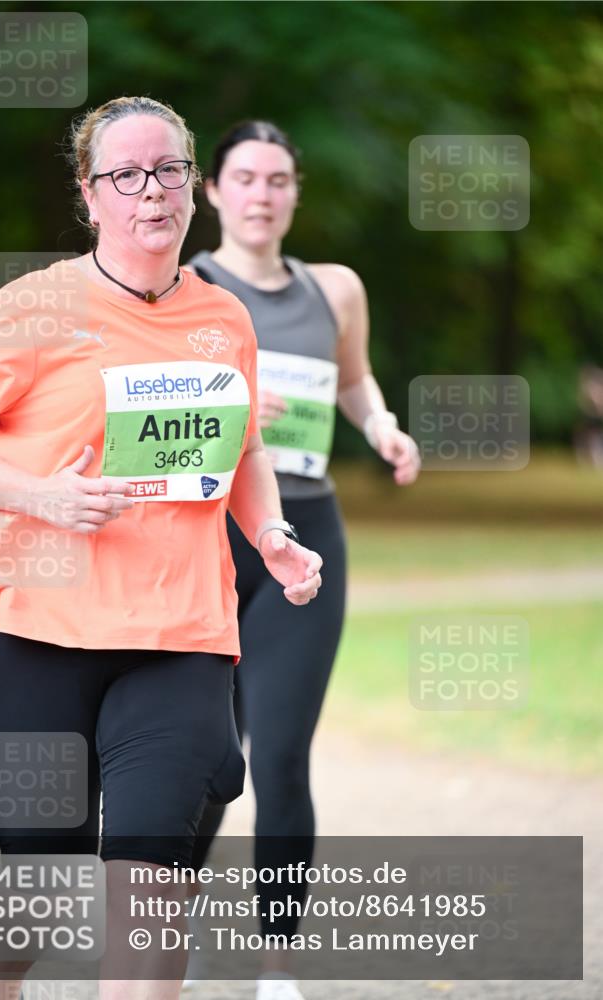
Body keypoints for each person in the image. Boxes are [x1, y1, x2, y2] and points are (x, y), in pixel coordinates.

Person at [0, 97, 322, 1000]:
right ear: (90, 193)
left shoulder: (223, 318)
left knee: (154, 859)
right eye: (126, 174)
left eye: (170, 169)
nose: (152, 190)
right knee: (45, 863)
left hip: (180, 630)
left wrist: (268, 533)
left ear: (192, 184)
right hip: (34, 625)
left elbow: (243, 450)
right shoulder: (31, 306)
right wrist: (41, 495)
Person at [187, 120, 421, 1000]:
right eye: (243, 177)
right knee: (205, 758)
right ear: (211, 190)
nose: (260, 193)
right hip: (207, 537)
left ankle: (276, 964)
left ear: (294, 191)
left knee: (280, 756)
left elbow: (353, 377)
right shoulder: (183, 287)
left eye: (278, 179)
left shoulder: (336, 288)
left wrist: (382, 426)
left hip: (304, 539)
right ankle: (168, 924)